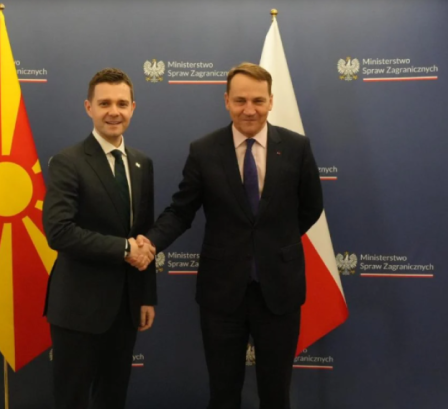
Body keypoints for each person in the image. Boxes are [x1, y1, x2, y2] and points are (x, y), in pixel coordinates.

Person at [139, 62, 323, 409]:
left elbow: (311, 207)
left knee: (276, 394)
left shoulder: (296, 148)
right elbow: (181, 211)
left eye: (258, 100)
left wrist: (273, 243)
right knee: (223, 393)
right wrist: (151, 242)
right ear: (226, 101)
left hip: (279, 291)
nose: (249, 109)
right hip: (222, 294)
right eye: (240, 100)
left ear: (271, 101)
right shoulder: (204, 150)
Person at [43, 68, 157, 409]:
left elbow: (144, 234)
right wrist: (123, 249)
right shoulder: (67, 162)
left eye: (122, 103)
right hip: (78, 309)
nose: (113, 112)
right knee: (73, 400)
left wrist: (145, 295)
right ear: (88, 107)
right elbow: (59, 231)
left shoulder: (142, 163)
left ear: (133, 108)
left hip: (125, 308)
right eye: (104, 103)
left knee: (113, 398)